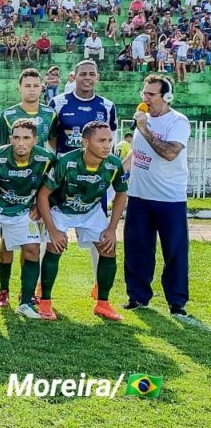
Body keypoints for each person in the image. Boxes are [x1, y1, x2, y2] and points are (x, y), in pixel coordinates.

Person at [36, 121, 128, 322]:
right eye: (101, 140)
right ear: (85, 142)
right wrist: (53, 230)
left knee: (108, 248)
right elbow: (43, 195)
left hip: (91, 210)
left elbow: (121, 194)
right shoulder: (66, 162)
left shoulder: (113, 163)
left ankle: (102, 303)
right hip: (61, 210)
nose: (107, 145)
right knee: (55, 247)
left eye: (109, 140)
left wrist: (112, 229)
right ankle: (45, 301)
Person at [0, 118, 56, 319]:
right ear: (10, 138)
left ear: (35, 140)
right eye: (17, 137)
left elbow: (54, 185)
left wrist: (39, 204)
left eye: (26, 138)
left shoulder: (47, 159)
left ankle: (26, 303)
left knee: (33, 250)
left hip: (22, 211)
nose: (21, 142)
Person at [48, 60, 117, 295]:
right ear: (74, 76)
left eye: (92, 74)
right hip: (62, 180)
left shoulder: (107, 106)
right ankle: (39, 286)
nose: (87, 77)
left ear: (97, 77)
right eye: (83, 73)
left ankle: (99, 286)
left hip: (92, 181)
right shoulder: (58, 102)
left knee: (101, 235)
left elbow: (110, 140)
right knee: (48, 237)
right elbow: (51, 141)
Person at [124, 75, 190, 317]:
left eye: (151, 94)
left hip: (169, 198)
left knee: (174, 251)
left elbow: (170, 153)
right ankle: (137, 297)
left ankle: (177, 302)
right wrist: (119, 170)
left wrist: (144, 128)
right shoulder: (143, 120)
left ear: (167, 97)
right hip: (140, 196)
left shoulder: (178, 122)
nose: (146, 99)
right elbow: (137, 152)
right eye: (144, 93)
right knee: (137, 249)